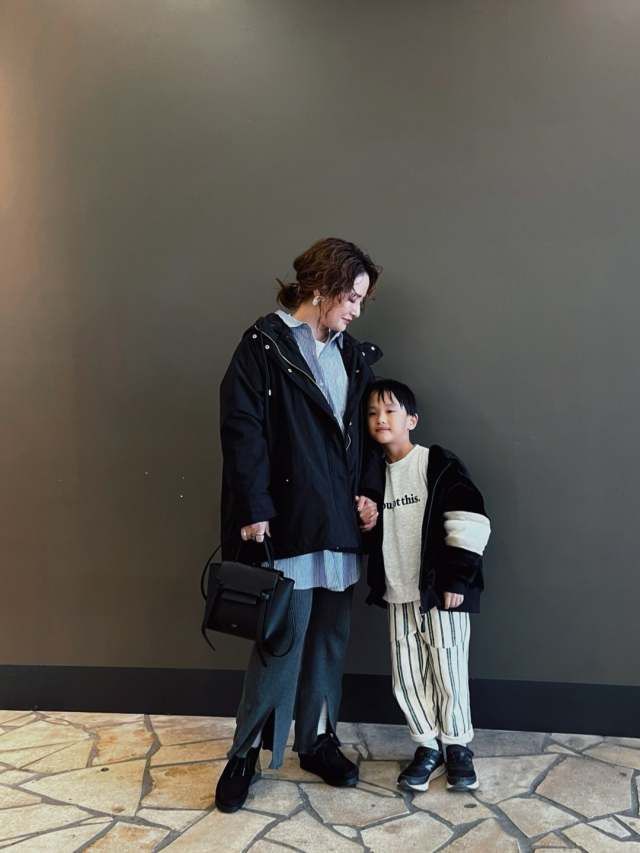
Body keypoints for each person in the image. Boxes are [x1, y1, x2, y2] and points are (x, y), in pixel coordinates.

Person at [215, 237, 383, 812]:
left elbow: (364, 436)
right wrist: (254, 507)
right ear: (322, 287)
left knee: (330, 640)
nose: (356, 311)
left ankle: (317, 743)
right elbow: (243, 429)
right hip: (289, 521)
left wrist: (368, 493)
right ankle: (244, 754)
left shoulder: (352, 356)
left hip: (339, 523)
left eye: (360, 301)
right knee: (280, 641)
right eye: (352, 297)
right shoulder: (263, 346)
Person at [363, 378, 491, 792]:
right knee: (407, 675)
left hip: (441, 593)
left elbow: (469, 518)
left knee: (449, 668)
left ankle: (457, 746)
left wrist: (456, 578)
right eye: (372, 413)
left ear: (411, 420)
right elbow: (370, 535)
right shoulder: (371, 476)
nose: (381, 419)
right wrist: (365, 523)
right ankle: (427, 745)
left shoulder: (435, 463)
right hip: (398, 592)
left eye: (390, 411)